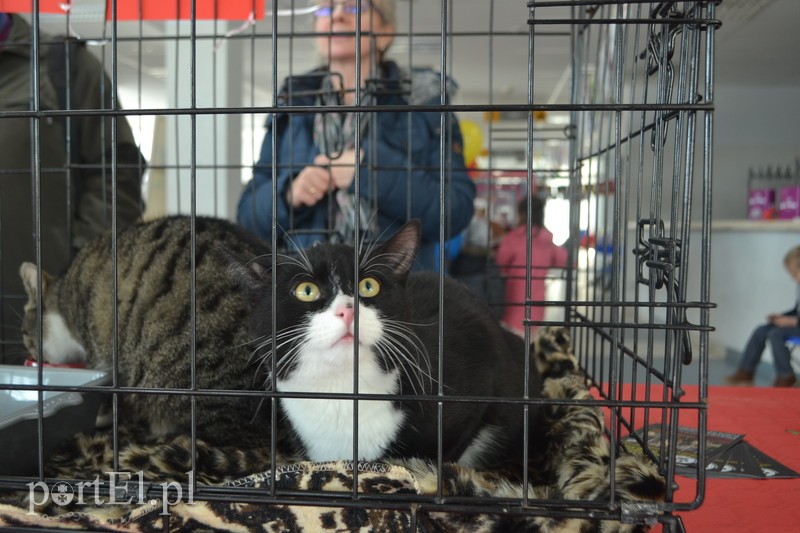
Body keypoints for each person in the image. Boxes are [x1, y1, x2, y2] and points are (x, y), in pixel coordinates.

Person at [237, 0, 475, 271]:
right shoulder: (292, 104)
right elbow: (247, 217)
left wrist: (366, 171)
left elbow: (455, 211)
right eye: (326, 9)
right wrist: (289, 192)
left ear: (385, 32)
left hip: (398, 292)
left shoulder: (424, 103)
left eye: (355, 8)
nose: (337, 16)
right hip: (306, 289)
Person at [0, 14, 146, 364]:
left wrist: (75, 275)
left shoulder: (64, 66)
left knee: (40, 417)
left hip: (39, 327)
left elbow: (117, 174)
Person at [725, 245, 800, 387]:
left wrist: (792, 321)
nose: (794, 279)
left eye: (795, 274)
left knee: (776, 334)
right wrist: (782, 317)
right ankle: (746, 371)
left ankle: (786, 376)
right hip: (795, 323)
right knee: (762, 329)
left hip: (797, 325)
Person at [495, 196, 568, 336]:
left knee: (514, 342)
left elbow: (501, 260)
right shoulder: (546, 238)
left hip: (513, 301)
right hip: (537, 301)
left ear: (521, 213)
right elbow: (561, 259)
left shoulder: (514, 237)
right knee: (531, 340)